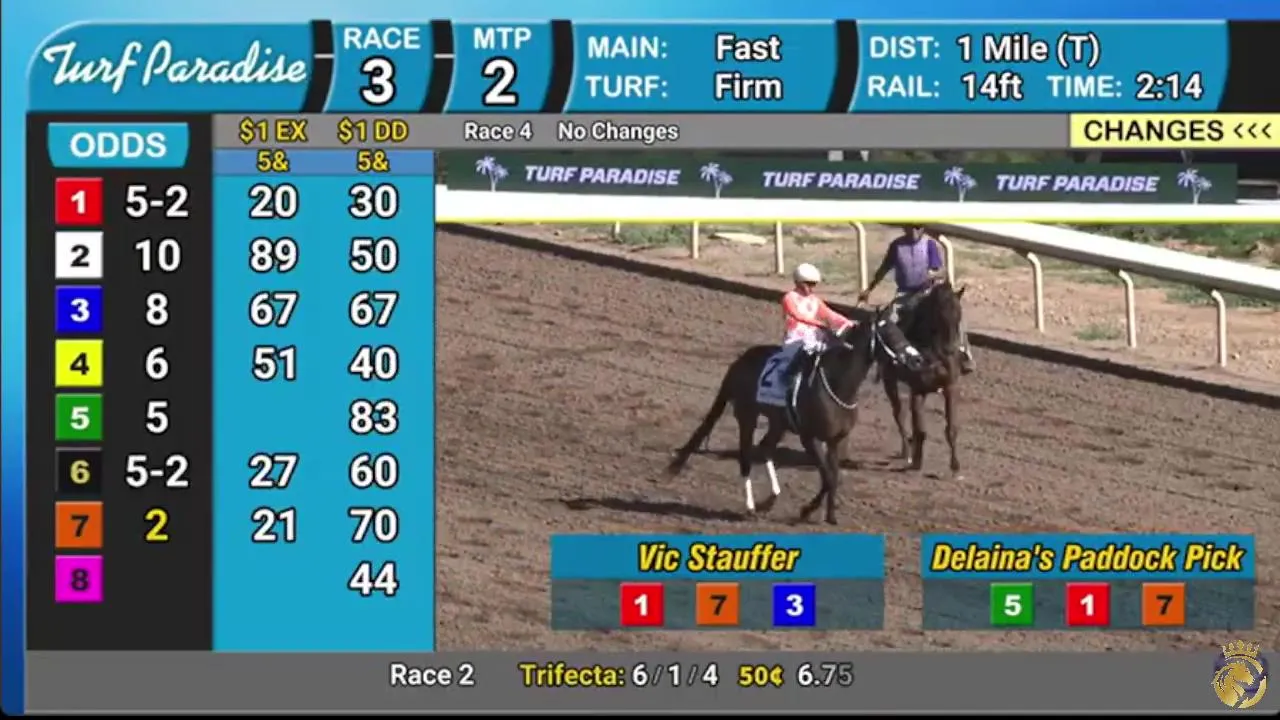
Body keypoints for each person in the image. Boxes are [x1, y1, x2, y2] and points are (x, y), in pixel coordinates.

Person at [858, 224, 974, 374]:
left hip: (927, 293)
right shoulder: (896, 246)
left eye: (917, 227)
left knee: (952, 313)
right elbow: (884, 268)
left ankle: (965, 354)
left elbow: (940, 270)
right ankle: (887, 360)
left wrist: (932, 275)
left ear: (923, 229)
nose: (914, 231)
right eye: (910, 227)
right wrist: (869, 289)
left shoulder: (929, 244)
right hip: (904, 295)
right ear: (904, 228)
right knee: (886, 321)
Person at [776, 262, 855, 389]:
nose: (812, 288)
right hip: (796, 337)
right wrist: (819, 324)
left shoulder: (814, 300)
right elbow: (797, 316)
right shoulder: (789, 298)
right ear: (799, 282)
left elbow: (830, 315)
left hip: (815, 334)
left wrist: (847, 322)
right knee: (804, 351)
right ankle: (789, 378)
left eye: (814, 284)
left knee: (838, 346)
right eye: (809, 284)